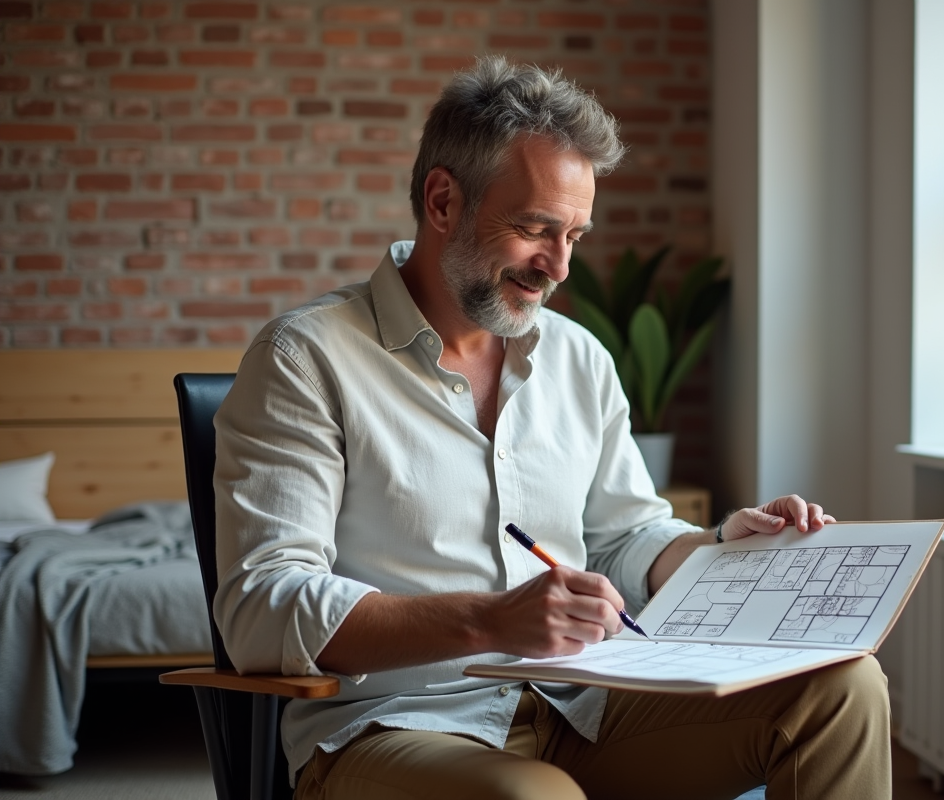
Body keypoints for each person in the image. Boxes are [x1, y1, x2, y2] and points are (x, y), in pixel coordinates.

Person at [213, 56, 891, 800]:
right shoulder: (304, 359)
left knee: (842, 687)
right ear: (443, 201)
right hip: (391, 727)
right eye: (536, 228)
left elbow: (626, 537)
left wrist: (725, 544)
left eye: (574, 235)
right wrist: (490, 622)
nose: (560, 267)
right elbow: (261, 608)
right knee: (536, 798)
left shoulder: (579, 359)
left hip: (584, 710)